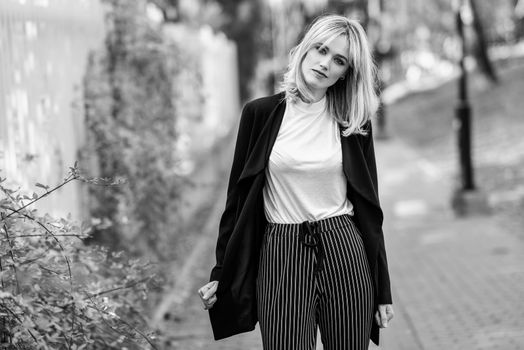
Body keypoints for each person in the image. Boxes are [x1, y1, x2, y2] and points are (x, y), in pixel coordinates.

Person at [198, 14, 394, 350]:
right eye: (321, 50)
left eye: (338, 60)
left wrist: (382, 288)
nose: (324, 64)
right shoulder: (259, 115)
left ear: (346, 72)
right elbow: (237, 202)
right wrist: (221, 273)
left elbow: (369, 210)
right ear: (305, 49)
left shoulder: (353, 122)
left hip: (343, 248)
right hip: (281, 252)